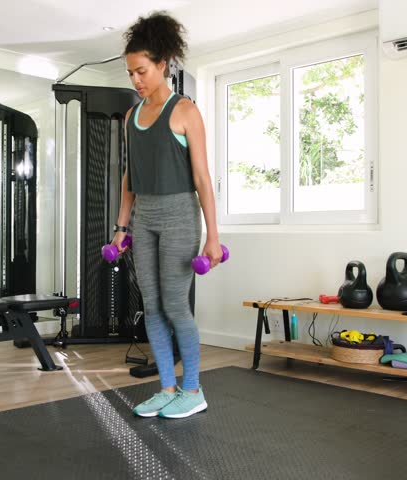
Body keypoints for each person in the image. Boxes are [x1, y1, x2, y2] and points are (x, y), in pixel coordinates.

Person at [112, 11, 222, 419]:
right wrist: (121, 227)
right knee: (152, 307)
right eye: (130, 74)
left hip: (179, 214)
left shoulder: (185, 111)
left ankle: (193, 389)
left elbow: (202, 178)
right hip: (145, 218)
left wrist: (212, 235)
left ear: (162, 64)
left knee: (176, 306)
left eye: (142, 70)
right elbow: (130, 177)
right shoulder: (131, 116)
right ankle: (167, 387)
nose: (136, 80)